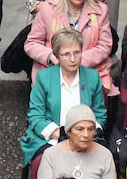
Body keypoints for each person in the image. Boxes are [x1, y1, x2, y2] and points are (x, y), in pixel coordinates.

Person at [22, 29, 107, 165]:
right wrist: (61, 135)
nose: (73, 59)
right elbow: (35, 116)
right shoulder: (44, 77)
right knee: (47, 164)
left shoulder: (92, 77)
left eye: (77, 53)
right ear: (57, 56)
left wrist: (85, 134)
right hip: (51, 139)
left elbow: (100, 115)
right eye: (66, 54)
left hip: (85, 139)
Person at [24, 0, 112, 89]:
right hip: (53, 70)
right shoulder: (48, 9)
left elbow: (105, 46)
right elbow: (31, 43)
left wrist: (77, 61)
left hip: (89, 71)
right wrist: (52, 57)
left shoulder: (100, 11)